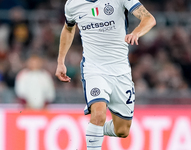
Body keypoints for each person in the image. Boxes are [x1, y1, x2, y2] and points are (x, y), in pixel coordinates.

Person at [55, 0, 156, 149]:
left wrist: (136, 32)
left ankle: (94, 129)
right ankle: (95, 127)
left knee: (122, 130)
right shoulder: (72, 4)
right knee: (99, 113)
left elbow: (149, 19)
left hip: (121, 71)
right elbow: (68, 29)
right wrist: (61, 61)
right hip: (94, 69)